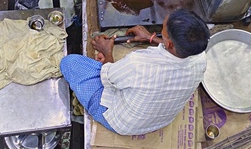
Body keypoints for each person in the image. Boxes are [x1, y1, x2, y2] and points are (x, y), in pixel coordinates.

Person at [60, 9, 210, 135]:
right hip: (162, 120)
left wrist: (107, 51)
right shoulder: (201, 58)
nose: (159, 32)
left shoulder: (139, 64)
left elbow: (109, 77)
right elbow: (177, 51)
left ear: (169, 43)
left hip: (122, 122)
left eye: (162, 32)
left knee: (69, 63)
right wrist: (150, 37)